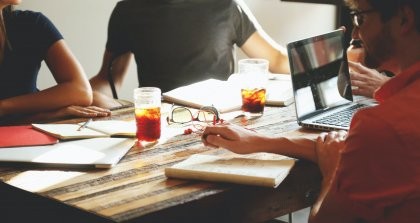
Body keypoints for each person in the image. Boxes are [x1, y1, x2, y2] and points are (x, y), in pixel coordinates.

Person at [202, 0, 420, 222]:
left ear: (404, 19)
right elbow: (349, 146)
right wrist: (262, 141)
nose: (355, 32)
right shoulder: (390, 126)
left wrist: (332, 174)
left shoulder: (383, 127)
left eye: (360, 18)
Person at [90, 0, 290, 109]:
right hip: (160, 121)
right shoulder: (128, 10)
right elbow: (108, 79)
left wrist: (319, 63)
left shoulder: (226, 6)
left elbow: (276, 60)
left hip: (218, 119)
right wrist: (89, 96)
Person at [0, 1, 110, 125]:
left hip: (28, 129)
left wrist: (4, 107)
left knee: (99, 100)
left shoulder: (32, 23)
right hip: (16, 131)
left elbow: (81, 91)